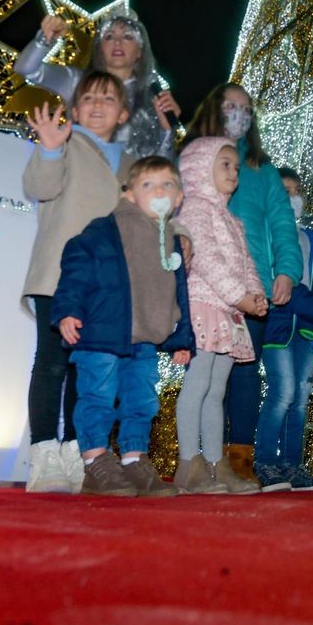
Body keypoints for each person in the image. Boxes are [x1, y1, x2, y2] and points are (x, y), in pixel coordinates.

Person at [180, 83, 301, 484]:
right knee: (203, 377)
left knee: (244, 374)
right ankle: (195, 460)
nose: (239, 114)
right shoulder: (192, 159)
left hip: (252, 290)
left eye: (246, 109)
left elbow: (283, 222)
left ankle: (237, 461)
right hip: (204, 288)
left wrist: (285, 270)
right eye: (230, 106)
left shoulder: (260, 170)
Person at [52, 156, 193, 497]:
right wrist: (68, 310)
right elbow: (77, 263)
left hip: (144, 339)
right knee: (97, 396)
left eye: (167, 185)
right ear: (130, 195)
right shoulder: (106, 229)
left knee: (142, 400)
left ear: (178, 198)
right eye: (148, 185)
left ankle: (133, 459)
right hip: (101, 333)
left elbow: (178, 293)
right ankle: (95, 459)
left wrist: (182, 337)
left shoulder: (170, 241)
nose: (158, 191)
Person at [19, 71, 132, 494]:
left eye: (108, 99)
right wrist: (48, 151)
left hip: (106, 287)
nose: (97, 105)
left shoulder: (129, 163)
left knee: (85, 370)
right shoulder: (65, 142)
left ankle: (74, 452)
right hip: (58, 275)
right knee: (51, 362)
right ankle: (43, 452)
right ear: (76, 107)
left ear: (122, 113)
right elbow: (39, 187)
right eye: (88, 98)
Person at [172, 137, 267, 495]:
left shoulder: (231, 217)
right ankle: (188, 461)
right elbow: (207, 259)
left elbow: (245, 263)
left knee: (217, 391)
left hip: (229, 312)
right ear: (200, 169)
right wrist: (240, 296)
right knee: (197, 386)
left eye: (235, 166)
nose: (233, 172)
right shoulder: (196, 207)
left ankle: (215, 462)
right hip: (204, 305)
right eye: (224, 164)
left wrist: (255, 294)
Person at [254, 167, 313, 492]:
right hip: (278, 328)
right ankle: (264, 462)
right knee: (282, 393)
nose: (291, 198)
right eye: (284, 191)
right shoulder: (265, 236)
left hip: (308, 333)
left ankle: (291, 464)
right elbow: (277, 287)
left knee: (300, 398)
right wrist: (305, 300)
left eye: (295, 191)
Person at [12, 8, 179, 161]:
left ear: (139, 51)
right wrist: (43, 40)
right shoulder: (79, 82)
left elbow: (161, 166)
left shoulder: (152, 97)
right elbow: (26, 69)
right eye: (109, 36)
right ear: (100, 48)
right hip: (81, 180)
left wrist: (167, 131)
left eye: (128, 37)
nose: (118, 42)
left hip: (129, 188)